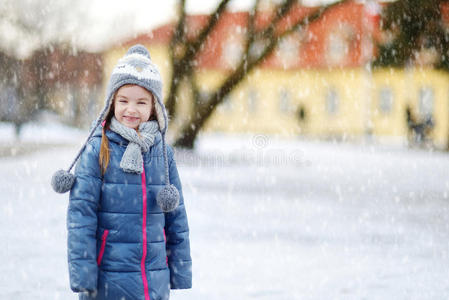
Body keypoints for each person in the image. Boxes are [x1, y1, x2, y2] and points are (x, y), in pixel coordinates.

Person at [51, 44, 192, 300]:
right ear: (111, 102)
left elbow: (177, 219)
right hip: (108, 279)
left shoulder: (162, 153)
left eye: (141, 102)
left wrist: (179, 271)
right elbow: (81, 216)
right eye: (123, 100)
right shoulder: (98, 149)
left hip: (153, 279)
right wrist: (83, 275)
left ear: (154, 106)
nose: (131, 109)